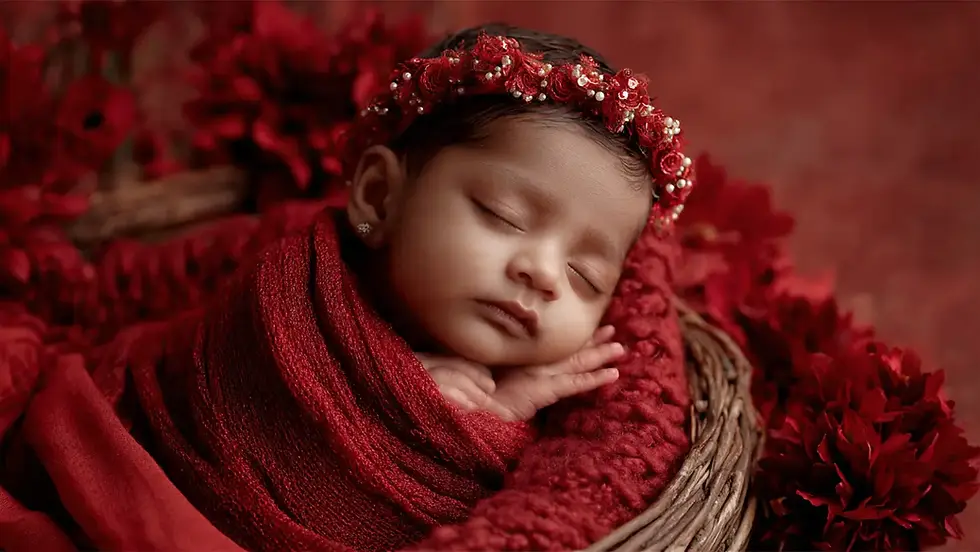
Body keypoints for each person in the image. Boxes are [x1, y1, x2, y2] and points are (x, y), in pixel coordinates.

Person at [0, 23, 692, 552]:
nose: (542, 273)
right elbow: (216, 385)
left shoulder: (547, 411)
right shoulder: (292, 281)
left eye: (584, 276)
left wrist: (493, 419)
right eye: (501, 216)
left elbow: (475, 505)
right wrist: (410, 393)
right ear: (380, 195)